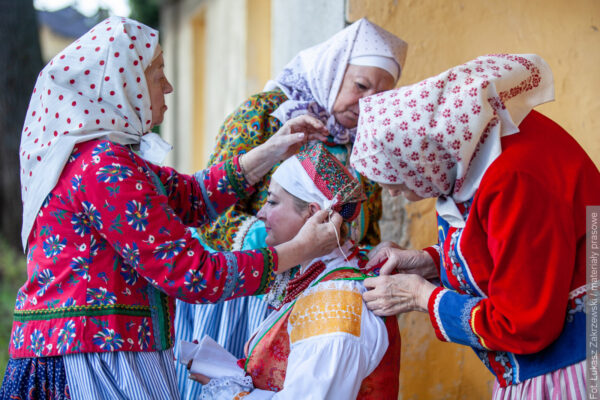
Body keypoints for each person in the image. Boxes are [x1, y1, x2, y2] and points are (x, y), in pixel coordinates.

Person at [0, 17, 344, 400]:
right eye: (158, 73)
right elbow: (193, 274)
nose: (168, 86)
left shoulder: (110, 159)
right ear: (121, 83)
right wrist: (301, 250)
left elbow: (193, 198)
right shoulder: (104, 167)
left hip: (98, 348)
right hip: (91, 359)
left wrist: (274, 148)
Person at [175, 18, 408, 398]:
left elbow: (365, 231)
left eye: (379, 96)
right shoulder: (264, 116)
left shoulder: (363, 144)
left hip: (319, 290)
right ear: (334, 68)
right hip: (245, 294)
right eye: (361, 85)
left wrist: (364, 256)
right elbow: (212, 213)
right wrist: (289, 249)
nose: (367, 104)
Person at [350, 53, 597, 398]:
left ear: (423, 158)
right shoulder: (470, 149)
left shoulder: (515, 178)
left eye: (397, 180)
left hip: (572, 367)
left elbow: (524, 323)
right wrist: (429, 263)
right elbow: (509, 250)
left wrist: (422, 296)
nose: (392, 191)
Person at [193, 142, 401, 399]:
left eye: (272, 202)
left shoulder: (334, 303)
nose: (260, 213)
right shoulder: (322, 278)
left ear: (312, 213)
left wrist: (230, 391)